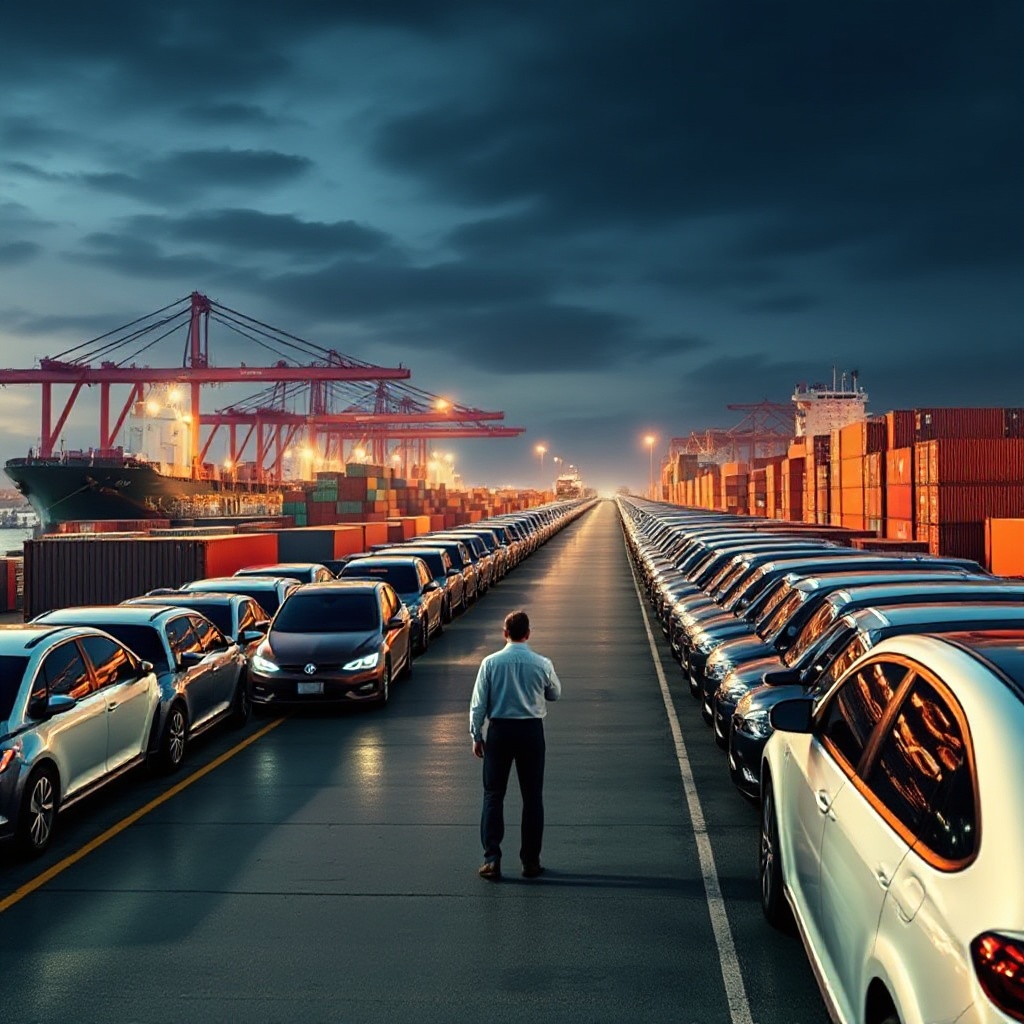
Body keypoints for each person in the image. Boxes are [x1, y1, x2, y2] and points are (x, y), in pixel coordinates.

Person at [470, 609, 561, 881]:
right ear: (528, 633)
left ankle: (492, 859)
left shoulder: (490, 663)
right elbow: (555, 693)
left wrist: (477, 735)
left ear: (505, 633)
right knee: (532, 798)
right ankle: (530, 862)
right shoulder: (541, 663)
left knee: (493, 795)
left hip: (500, 731)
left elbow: (479, 704)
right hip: (531, 732)